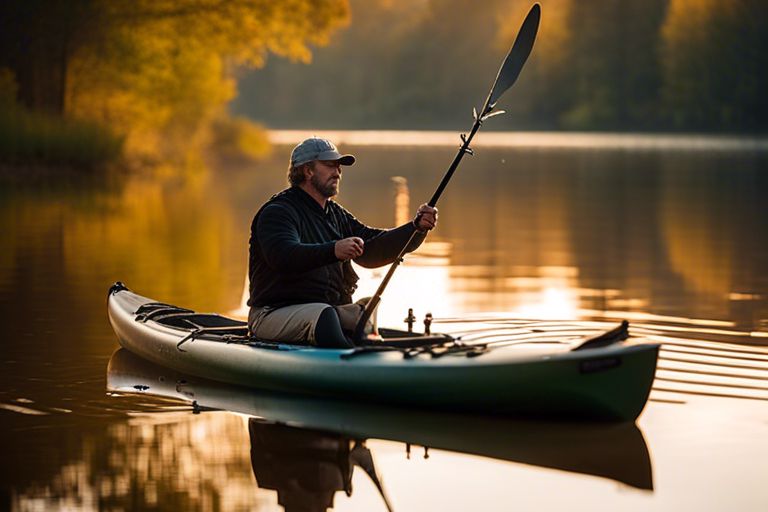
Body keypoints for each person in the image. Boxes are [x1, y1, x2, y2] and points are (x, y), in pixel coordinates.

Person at [248, 136, 437, 348]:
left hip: (324, 311)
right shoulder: (278, 212)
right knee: (325, 316)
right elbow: (283, 256)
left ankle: (375, 356)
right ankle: (352, 362)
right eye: (330, 165)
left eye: (339, 166)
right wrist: (334, 250)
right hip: (272, 314)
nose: (338, 172)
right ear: (308, 171)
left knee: (364, 314)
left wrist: (416, 228)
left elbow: (373, 248)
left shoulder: (335, 214)